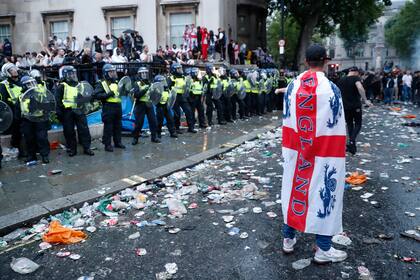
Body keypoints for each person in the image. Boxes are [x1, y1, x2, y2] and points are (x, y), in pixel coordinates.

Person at [281, 44, 347, 264]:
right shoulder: (332, 89)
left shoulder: (292, 86)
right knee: (326, 194)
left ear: (306, 61)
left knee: (294, 190)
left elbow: (287, 120)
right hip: (325, 153)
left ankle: (288, 239)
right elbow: (337, 126)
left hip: (297, 151)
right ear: (325, 61)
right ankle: (323, 249)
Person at [55, 66, 94, 157]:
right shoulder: (62, 86)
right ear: (65, 75)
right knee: (69, 131)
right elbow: (58, 100)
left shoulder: (79, 85)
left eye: (73, 73)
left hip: (79, 110)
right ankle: (72, 149)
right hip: (67, 111)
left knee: (84, 129)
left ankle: (87, 148)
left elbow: (85, 96)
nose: (72, 75)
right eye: (70, 74)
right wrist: (60, 113)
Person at [93, 64, 125, 152]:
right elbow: (96, 95)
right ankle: (107, 145)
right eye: (111, 72)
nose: (113, 74)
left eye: (114, 72)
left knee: (118, 126)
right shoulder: (102, 83)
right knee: (108, 127)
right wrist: (108, 94)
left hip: (118, 106)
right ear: (106, 73)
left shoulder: (117, 82)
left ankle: (118, 142)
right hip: (108, 107)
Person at [18, 76, 50, 163]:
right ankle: (31, 156)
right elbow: (18, 109)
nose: (32, 86)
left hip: (39, 118)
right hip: (27, 120)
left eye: (33, 83)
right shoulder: (21, 96)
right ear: (24, 86)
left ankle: (44, 155)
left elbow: (47, 104)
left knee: (42, 137)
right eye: (29, 84)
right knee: (29, 138)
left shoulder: (40, 94)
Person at [0, 63, 24, 158]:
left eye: (15, 68)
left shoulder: (22, 81)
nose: (15, 70)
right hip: (13, 111)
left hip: (25, 110)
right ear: (7, 73)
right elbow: (3, 101)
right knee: (17, 131)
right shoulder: (3, 85)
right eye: (11, 70)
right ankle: (16, 147)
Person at [131, 66, 160, 145]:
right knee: (139, 123)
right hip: (140, 104)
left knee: (153, 121)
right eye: (142, 73)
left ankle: (154, 137)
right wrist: (144, 90)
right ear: (139, 74)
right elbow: (136, 95)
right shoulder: (136, 83)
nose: (144, 75)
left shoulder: (150, 83)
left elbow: (154, 95)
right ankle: (135, 138)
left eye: (145, 73)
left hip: (149, 104)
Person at [168, 63, 196, 134]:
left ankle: (191, 127)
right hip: (175, 97)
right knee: (177, 113)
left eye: (180, 68)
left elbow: (187, 86)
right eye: (178, 69)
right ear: (174, 70)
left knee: (188, 111)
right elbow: (167, 88)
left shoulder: (184, 77)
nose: (180, 70)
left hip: (182, 96)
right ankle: (176, 128)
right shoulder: (171, 78)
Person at [155, 75, 177, 139]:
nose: (164, 83)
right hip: (160, 106)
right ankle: (158, 133)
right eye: (162, 81)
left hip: (166, 105)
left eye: (164, 81)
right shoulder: (156, 90)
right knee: (159, 121)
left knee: (170, 119)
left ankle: (172, 132)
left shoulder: (166, 88)